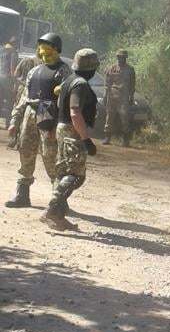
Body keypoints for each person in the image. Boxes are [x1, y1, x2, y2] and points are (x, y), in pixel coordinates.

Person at [5, 33, 70, 208]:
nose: (43, 50)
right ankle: (22, 194)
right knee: (25, 150)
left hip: (48, 113)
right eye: (41, 46)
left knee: (51, 156)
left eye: (48, 47)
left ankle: (59, 199)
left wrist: (56, 125)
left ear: (56, 49)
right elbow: (24, 98)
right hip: (31, 112)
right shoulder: (34, 71)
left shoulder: (63, 71)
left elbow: (65, 102)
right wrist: (14, 121)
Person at [41, 49, 99, 231]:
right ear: (91, 68)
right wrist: (86, 139)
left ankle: (58, 216)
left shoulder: (68, 81)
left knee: (64, 172)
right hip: (71, 131)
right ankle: (51, 210)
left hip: (63, 128)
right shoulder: (80, 84)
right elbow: (74, 111)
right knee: (76, 175)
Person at [102, 49, 136, 147]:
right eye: (119, 57)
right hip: (112, 95)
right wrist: (105, 95)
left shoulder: (130, 70)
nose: (121, 59)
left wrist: (131, 97)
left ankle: (125, 140)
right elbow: (107, 82)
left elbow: (132, 85)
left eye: (123, 57)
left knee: (125, 117)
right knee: (109, 117)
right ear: (117, 57)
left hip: (124, 96)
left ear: (126, 58)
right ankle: (107, 137)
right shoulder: (112, 68)